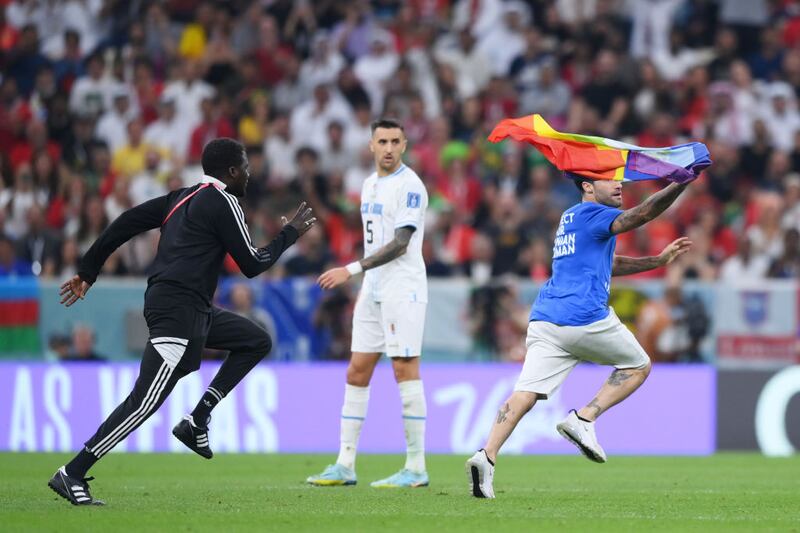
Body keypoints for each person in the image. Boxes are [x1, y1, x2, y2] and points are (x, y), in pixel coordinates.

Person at [48, 138, 316, 506]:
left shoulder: (181, 197)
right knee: (143, 403)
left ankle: (198, 419)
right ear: (233, 171)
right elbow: (253, 264)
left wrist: (88, 271)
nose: (250, 176)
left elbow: (126, 222)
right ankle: (72, 472)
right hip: (178, 309)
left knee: (255, 340)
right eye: (247, 169)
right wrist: (290, 235)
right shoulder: (225, 201)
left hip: (189, 308)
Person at [465, 171, 695, 499]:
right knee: (638, 365)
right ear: (588, 187)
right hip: (584, 315)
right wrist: (683, 181)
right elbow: (642, 213)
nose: (619, 185)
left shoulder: (570, 217)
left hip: (545, 318)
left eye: (620, 180)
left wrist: (656, 261)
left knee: (525, 393)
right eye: (610, 180)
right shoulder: (595, 214)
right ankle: (584, 418)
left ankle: (485, 456)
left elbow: (608, 263)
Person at [306, 119, 429, 488]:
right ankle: (345, 464)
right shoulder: (369, 185)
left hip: (402, 288)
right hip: (374, 290)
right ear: (371, 146)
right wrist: (364, 278)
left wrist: (352, 269)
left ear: (404, 145)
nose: (389, 148)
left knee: (404, 370)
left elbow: (401, 242)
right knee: (357, 370)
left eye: (395, 141)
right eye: (382, 141)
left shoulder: (411, 186)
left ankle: (416, 467)